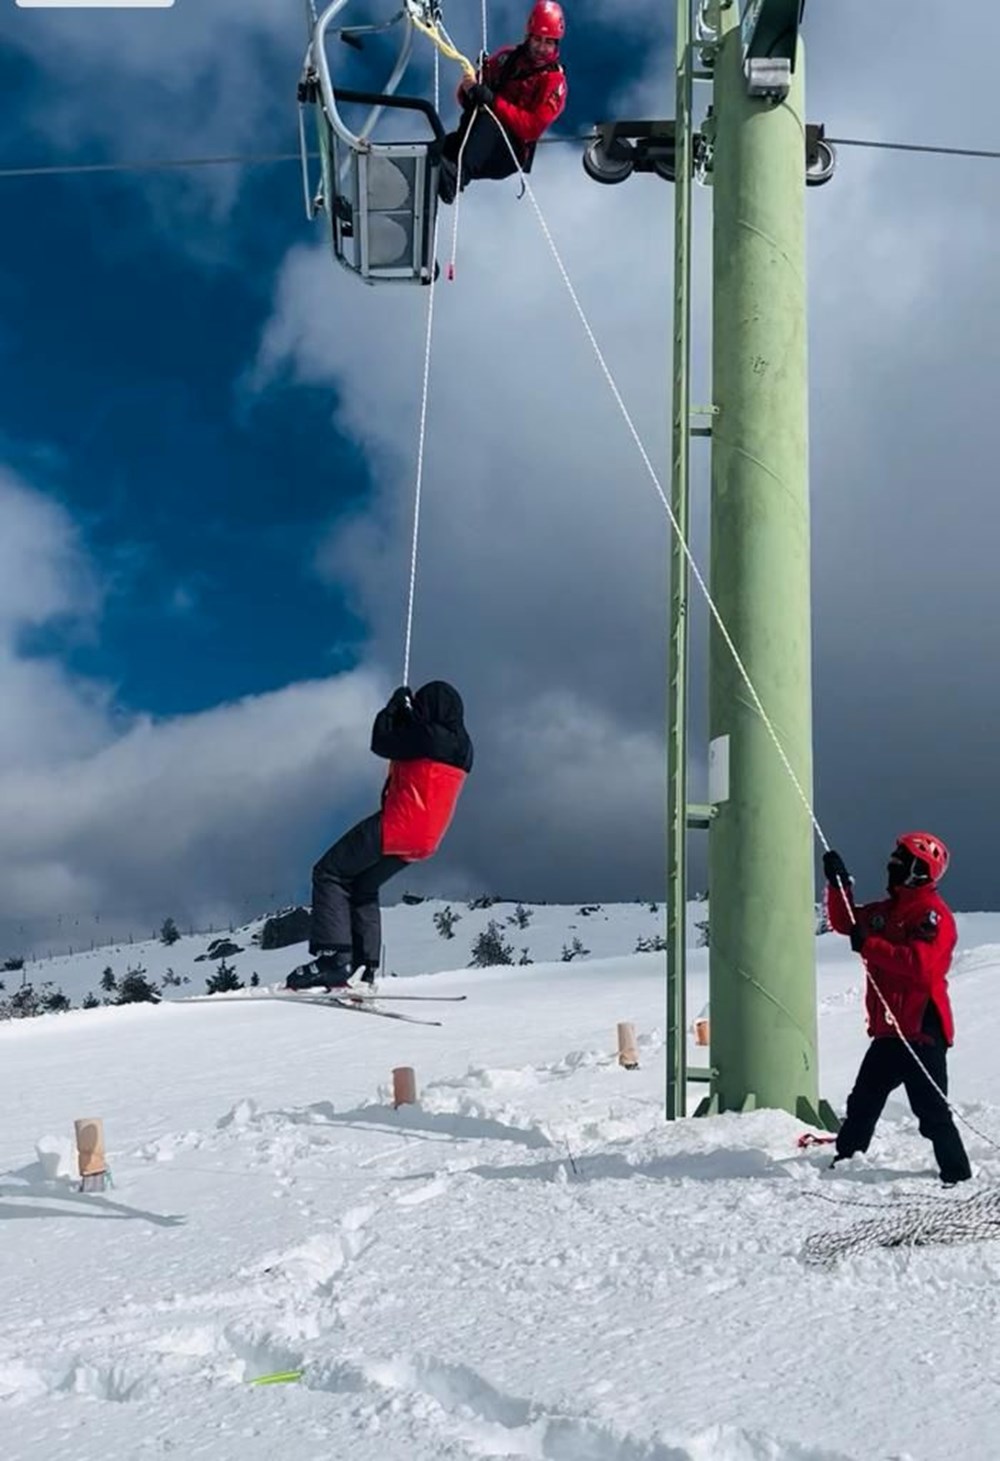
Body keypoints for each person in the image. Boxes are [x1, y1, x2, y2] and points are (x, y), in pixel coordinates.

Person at [287, 681, 473, 990]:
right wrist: (407, 716)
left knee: (328, 872)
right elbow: (412, 746)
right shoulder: (463, 747)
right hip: (427, 839)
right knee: (363, 885)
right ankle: (365, 967)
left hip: (400, 823)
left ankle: (335, 959)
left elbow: (382, 742)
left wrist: (392, 709)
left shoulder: (427, 736)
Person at [822, 831, 972, 1187]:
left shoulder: (932, 915)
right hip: (891, 1029)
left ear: (920, 869)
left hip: (922, 1028)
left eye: (900, 858)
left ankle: (958, 1175)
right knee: (863, 1100)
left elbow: (922, 967)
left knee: (931, 1112)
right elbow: (847, 923)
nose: (892, 863)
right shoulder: (886, 911)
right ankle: (846, 1160)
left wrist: (871, 946)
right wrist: (837, 884)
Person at [435, 1, 568, 205]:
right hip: (475, 139)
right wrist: (471, 89)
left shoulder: (553, 82)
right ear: (528, 37)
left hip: (507, 152)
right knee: (442, 148)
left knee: (490, 117)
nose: (542, 47)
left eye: (548, 42)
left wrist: (491, 100)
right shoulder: (507, 58)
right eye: (537, 40)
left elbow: (531, 128)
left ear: (556, 44)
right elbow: (468, 98)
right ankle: (428, 168)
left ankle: (454, 177)